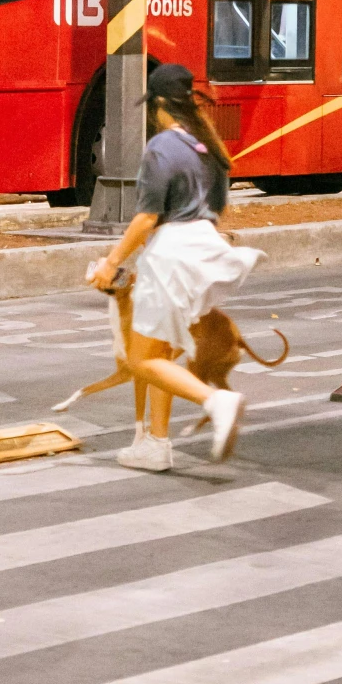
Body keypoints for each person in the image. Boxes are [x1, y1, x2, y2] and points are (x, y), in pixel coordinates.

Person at [87, 60, 263, 472]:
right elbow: (217, 210)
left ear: (160, 105)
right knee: (162, 351)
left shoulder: (162, 147)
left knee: (141, 359)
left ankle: (216, 402)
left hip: (171, 252)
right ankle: (157, 444)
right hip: (203, 248)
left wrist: (111, 263)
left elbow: (147, 217)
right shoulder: (209, 147)